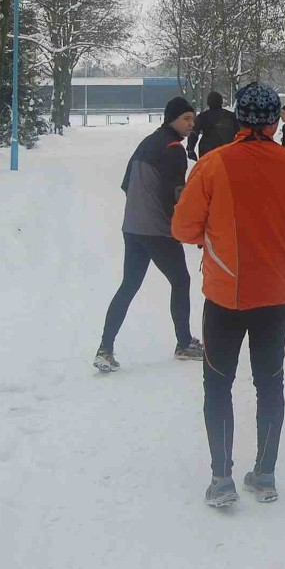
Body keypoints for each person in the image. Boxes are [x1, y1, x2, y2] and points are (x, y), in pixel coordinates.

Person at [172, 82, 285, 507]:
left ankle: (222, 479)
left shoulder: (212, 165)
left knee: (218, 384)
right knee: (269, 382)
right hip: (277, 293)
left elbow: (183, 228)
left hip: (225, 292)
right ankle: (266, 474)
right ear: (275, 122)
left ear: (238, 119)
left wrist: (213, 233)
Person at [93, 97, 203, 372]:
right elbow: (177, 196)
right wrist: (185, 228)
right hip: (157, 230)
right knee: (181, 281)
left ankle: (105, 349)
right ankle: (184, 343)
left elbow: (125, 183)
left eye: (192, 118)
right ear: (172, 119)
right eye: (186, 119)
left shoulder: (147, 142)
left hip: (132, 227)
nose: (191, 124)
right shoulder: (174, 148)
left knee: (129, 286)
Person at [186, 90, 239, 161]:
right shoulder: (231, 116)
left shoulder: (202, 116)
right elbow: (240, 133)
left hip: (207, 152)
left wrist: (191, 150)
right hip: (227, 152)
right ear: (221, 102)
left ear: (208, 103)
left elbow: (193, 134)